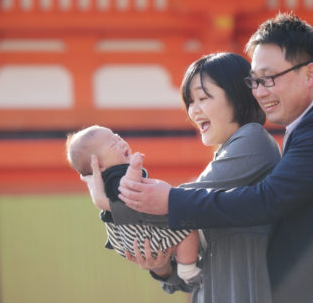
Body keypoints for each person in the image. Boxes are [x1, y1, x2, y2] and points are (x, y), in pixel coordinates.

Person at [118, 13, 313, 303]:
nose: (260, 92)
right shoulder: (303, 130)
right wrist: (165, 265)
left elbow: (268, 200)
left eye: (269, 78)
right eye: (255, 81)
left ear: (309, 74)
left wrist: (169, 201)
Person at [97, 52, 281, 303]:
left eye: (203, 98)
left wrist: (114, 200)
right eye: (190, 102)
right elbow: (190, 276)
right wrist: (161, 267)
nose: (194, 111)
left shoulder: (253, 139)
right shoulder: (225, 154)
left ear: (238, 97)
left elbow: (179, 201)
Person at [66, 125, 201, 284]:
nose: (122, 142)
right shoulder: (116, 175)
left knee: (180, 236)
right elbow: (128, 187)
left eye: (118, 137)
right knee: (188, 230)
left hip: (135, 239)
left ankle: (185, 264)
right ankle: (187, 267)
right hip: (143, 235)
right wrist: (135, 168)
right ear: (99, 165)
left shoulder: (105, 181)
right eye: (113, 144)